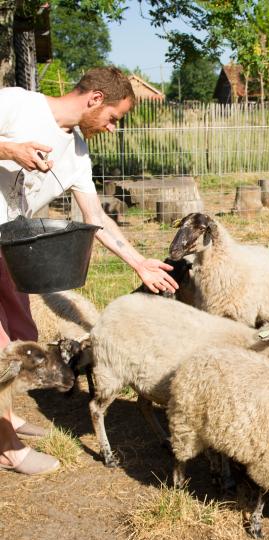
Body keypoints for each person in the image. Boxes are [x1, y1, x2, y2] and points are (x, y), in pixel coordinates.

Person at [0, 66, 178, 475]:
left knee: (24, 337)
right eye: (114, 117)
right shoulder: (17, 104)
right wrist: (10, 150)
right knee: (3, 349)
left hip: (11, 246)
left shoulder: (78, 152)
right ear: (95, 99)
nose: (113, 128)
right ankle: (7, 446)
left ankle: (5, 417)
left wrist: (139, 262)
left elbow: (95, 216)